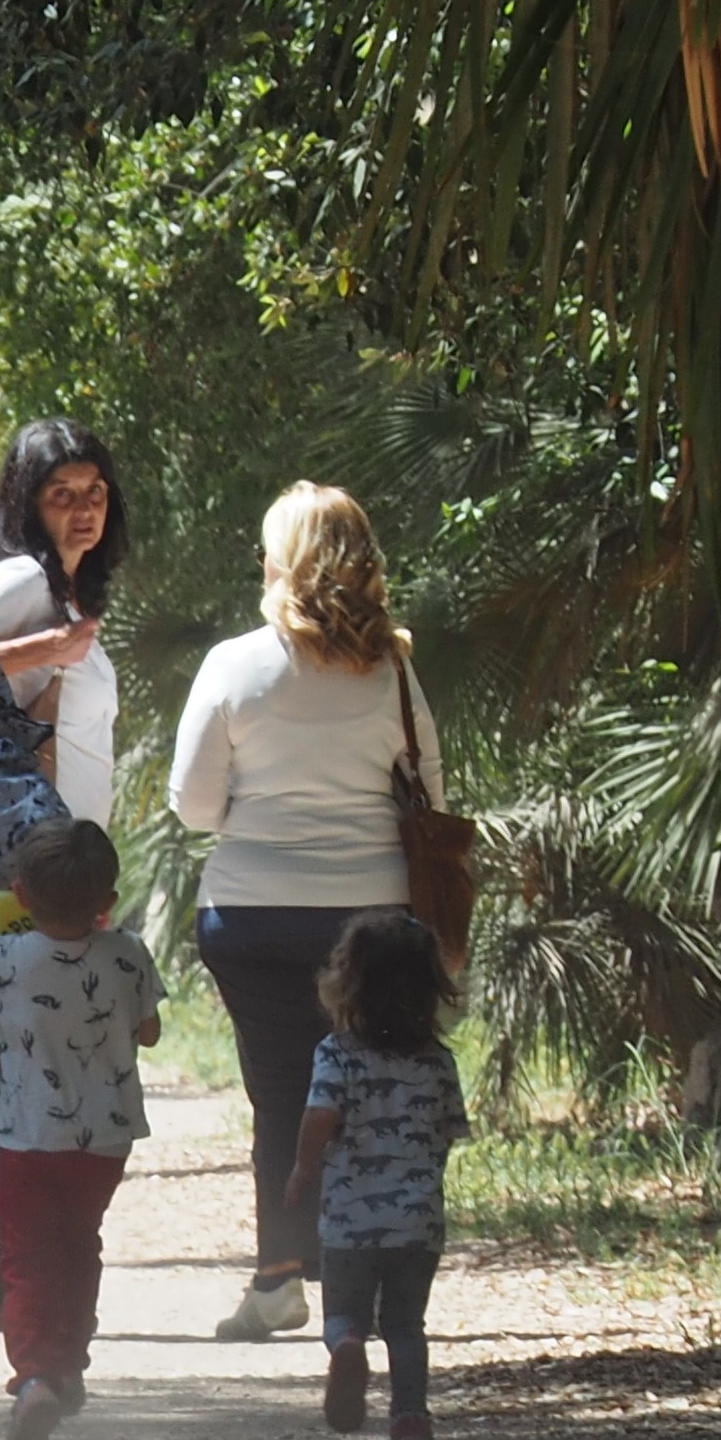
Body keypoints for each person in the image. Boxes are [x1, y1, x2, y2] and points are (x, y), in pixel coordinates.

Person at [166, 482, 441, 1347]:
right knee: (371, 1092)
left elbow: (193, 804)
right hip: (373, 923)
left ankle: (278, 1278)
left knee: (281, 1094)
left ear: (281, 561)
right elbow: (430, 794)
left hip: (252, 917)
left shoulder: (234, 665)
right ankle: (370, 1273)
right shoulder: (393, 671)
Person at [0, 820, 163, 1440]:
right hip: (103, 1140)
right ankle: (69, 1362)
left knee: (25, 1257)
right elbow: (151, 1029)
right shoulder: (130, 952)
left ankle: (35, 1376)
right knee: (80, 1243)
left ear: (19, 892)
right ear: (107, 896)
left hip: (26, 1136)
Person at [290, 910, 469, 1440]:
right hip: (416, 1221)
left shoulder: (336, 1055)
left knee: (344, 1309)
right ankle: (411, 1420)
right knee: (406, 1324)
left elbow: (321, 1116)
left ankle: (346, 1344)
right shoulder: (437, 1061)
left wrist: (304, 1168)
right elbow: (447, 1132)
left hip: (349, 1219)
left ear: (347, 984)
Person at [0, 418, 130, 840]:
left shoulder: (69, 593)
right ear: (29, 504)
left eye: (95, 492)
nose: (85, 509)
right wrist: (47, 650)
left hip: (67, 866)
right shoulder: (22, 578)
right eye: (63, 494)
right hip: (26, 862)